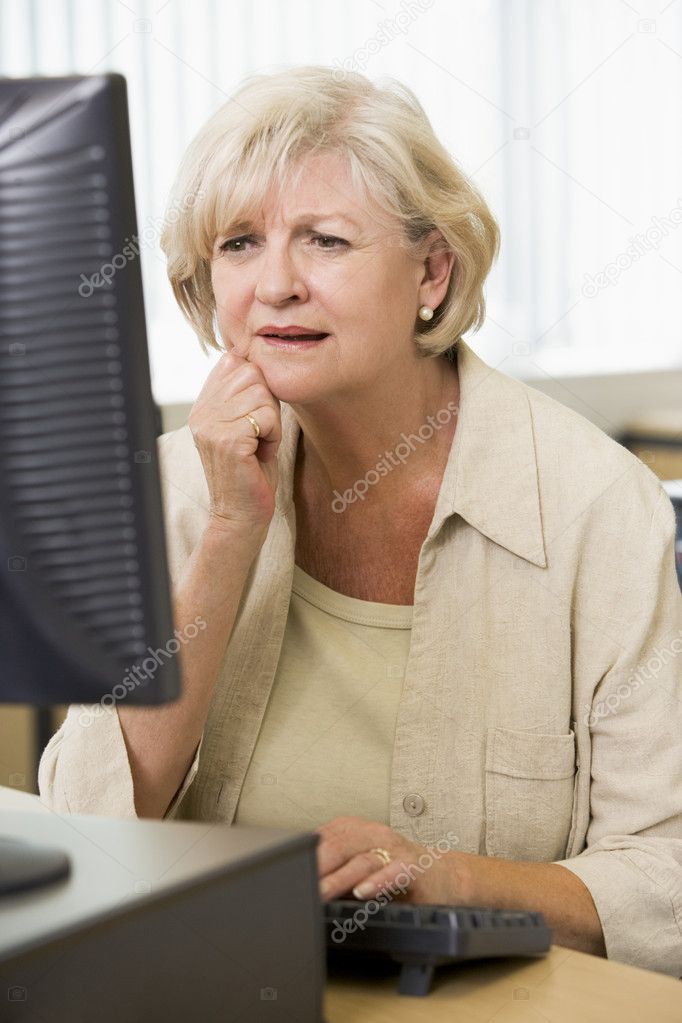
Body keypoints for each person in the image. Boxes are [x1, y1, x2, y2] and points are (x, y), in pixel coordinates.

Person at [39, 65, 682, 976]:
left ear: (431, 270)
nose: (276, 285)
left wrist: (454, 880)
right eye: (239, 243)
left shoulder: (596, 507)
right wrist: (230, 535)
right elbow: (85, 822)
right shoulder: (184, 483)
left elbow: (667, 882)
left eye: (325, 241)